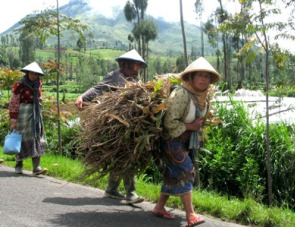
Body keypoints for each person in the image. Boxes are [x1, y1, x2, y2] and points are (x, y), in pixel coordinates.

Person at [152, 57, 221, 227]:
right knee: (187, 171)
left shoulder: (203, 97)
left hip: (185, 142)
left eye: (207, 76)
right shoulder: (181, 94)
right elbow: (169, 123)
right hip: (171, 141)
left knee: (172, 174)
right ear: (191, 78)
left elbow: (200, 121)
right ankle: (190, 214)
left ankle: (159, 207)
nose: (204, 79)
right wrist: (191, 126)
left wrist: (200, 133)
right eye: (200, 75)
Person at [75, 49, 147, 205]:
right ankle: (131, 193)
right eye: (136, 64)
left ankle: (111, 189)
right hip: (117, 123)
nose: (138, 68)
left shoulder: (136, 81)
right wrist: (82, 97)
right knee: (128, 154)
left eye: (139, 65)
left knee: (121, 155)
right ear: (127, 64)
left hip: (132, 123)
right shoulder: (115, 76)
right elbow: (98, 88)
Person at [9, 62, 48, 175]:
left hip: (35, 113)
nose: (33, 76)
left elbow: (39, 96)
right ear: (27, 73)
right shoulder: (19, 85)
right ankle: (18, 165)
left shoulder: (38, 84)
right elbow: (14, 101)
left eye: (36, 74)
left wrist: (39, 100)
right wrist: (13, 119)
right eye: (32, 74)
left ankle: (36, 167)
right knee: (20, 138)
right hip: (23, 113)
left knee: (36, 137)